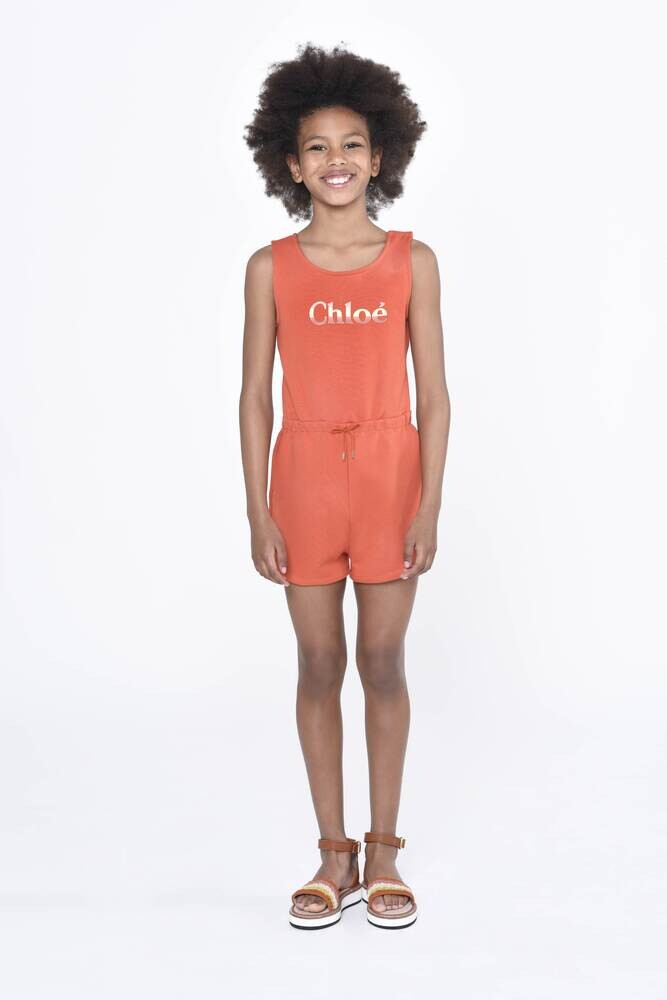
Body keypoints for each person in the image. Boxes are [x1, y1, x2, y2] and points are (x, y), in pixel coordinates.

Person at [240, 43, 450, 928]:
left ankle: (384, 848)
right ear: (291, 165)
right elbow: (254, 396)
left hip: (390, 475)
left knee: (382, 661)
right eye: (317, 147)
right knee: (319, 662)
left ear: (379, 155)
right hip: (304, 481)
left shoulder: (412, 259)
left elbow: (434, 395)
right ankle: (334, 854)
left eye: (352, 144)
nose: (336, 160)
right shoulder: (269, 267)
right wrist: (258, 509)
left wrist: (428, 502)